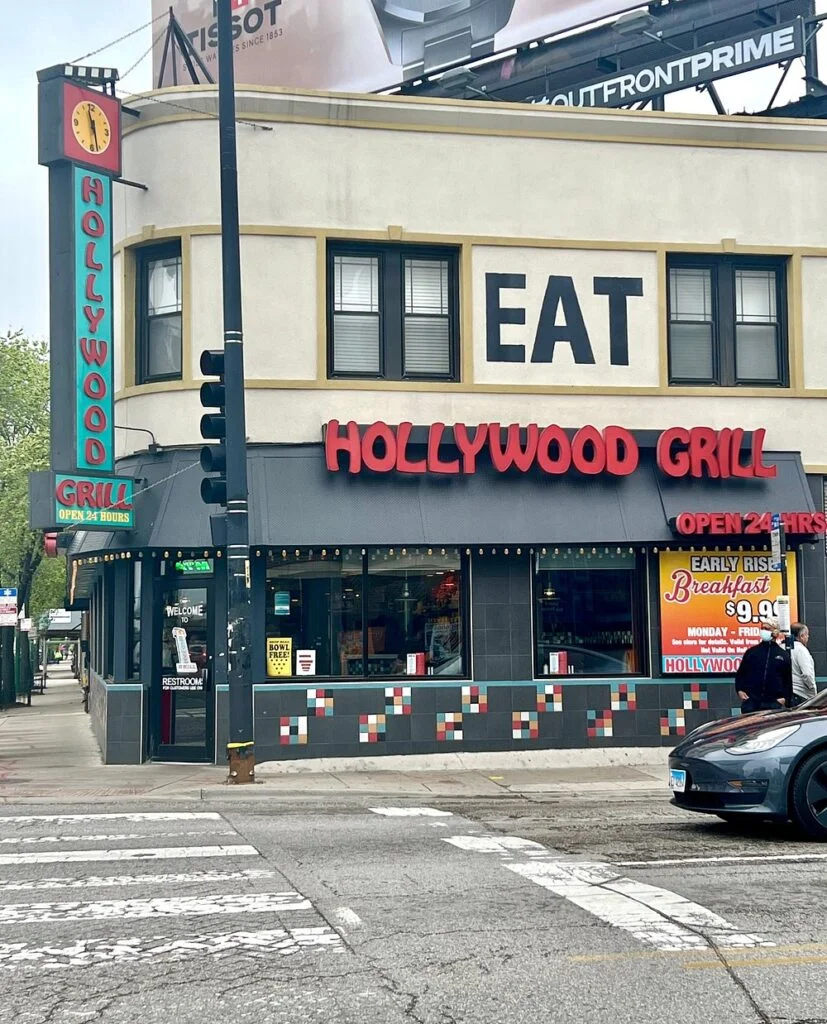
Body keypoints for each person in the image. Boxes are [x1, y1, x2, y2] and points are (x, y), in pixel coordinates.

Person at [735, 620, 792, 714]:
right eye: (762, 628)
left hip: (774, 704)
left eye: (767, 628)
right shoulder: (752, 652)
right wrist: (740, 690)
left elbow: (787, 681)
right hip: (751, 703)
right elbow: (741, 674)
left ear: (775, 632)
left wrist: (784, 699)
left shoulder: (783, 655)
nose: (763, 631)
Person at [790, 622, 816, 707]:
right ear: (801, 636)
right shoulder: (801, 650)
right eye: (807, 634)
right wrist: (812, 688)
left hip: (783, 695)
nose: (808, 637)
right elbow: (807, 674)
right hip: (800, 694)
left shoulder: (781, 647)